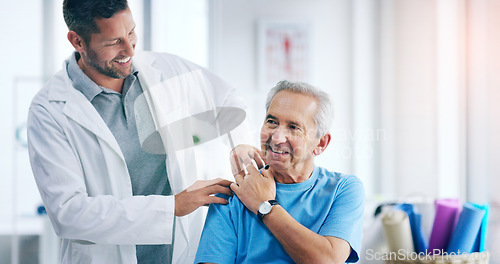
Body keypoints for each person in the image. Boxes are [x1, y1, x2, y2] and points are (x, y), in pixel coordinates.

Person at [27, 0, 250, 263]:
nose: (129, 49)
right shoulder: (49, 110)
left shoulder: (164, 70)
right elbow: (68, 213)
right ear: (77, 41)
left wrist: (240, 145)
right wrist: (172, 207)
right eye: (113, 42)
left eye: (131, 32)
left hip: (180, 255)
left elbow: (228, 99)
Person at [195, 80, 365, 264]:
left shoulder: (343, 189)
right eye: (271, 122)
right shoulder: (233, 195)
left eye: (293, 127)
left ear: (321, 143)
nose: (276, 138)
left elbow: (328, 260)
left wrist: (265, 205)